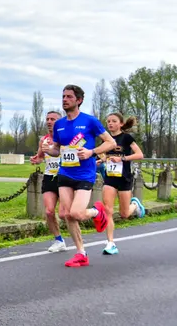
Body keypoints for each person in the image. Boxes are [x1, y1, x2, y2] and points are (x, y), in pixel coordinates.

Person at [42, 85, 116, 268]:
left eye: (69, 97)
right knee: (68, 215)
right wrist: (48, 150)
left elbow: (110, 142)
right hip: (65, 172)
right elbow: (58, 150)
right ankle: (81, 253)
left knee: (76, 212)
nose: (64, 99)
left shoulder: (90, 121)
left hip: (85, 174)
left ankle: (97, 212)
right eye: (63, 96)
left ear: (79, 100)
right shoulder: (59, 125)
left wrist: (92, 152)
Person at [100, 112, 146, 255]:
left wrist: (123, 158)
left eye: (114, 121)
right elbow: (103, 155)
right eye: (108, 121)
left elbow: (140, 154)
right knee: (108, 210)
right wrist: (100, 160)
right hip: (109, 179)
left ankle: (135, 205)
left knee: (124, 214)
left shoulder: (126, 138)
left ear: (120, 124)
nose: (110, 124)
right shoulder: (105, 139)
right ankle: (110, 243)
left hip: (124, 178)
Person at [29, 110, 67, 253]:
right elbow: (40, 157)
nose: (49, 121)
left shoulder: (66, 137)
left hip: (65, 178)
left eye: (53, 119)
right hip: (49, 177)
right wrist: (36, 159)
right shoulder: (43, 140)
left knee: (64, 214)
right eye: (48, 119)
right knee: (49, 211)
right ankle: (59, 240)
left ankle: (79, 235)